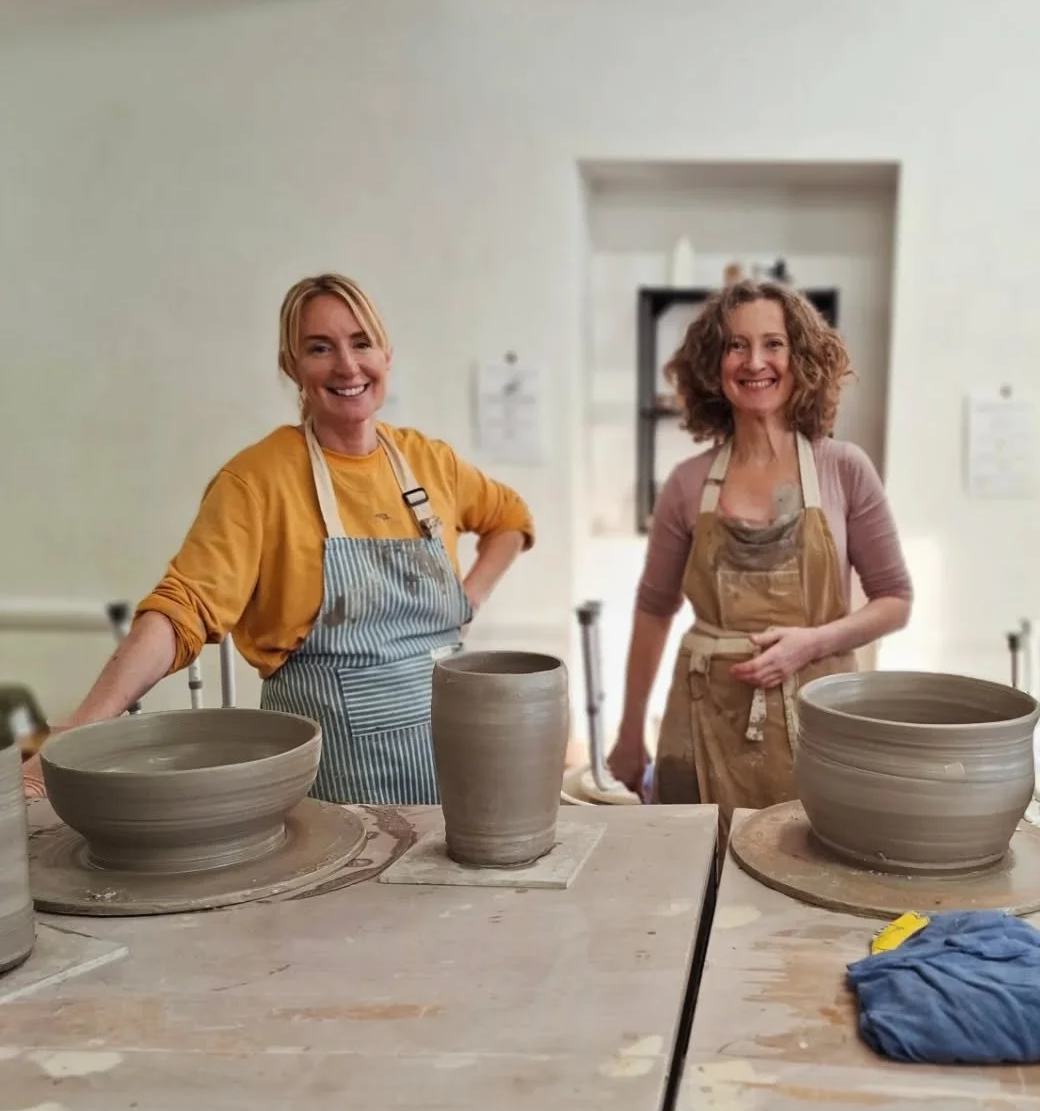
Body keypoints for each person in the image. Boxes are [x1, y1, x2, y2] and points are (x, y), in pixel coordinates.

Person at [22, 274, 534, 806]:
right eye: (320, 348)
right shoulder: (258, 479)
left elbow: (510, 518)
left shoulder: (431, 462)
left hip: (450, 753)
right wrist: (79, 728)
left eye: (361, 343)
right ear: (291, 366)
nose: (347, 366)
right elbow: (183, 609)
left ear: (386, 355)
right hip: (338, 777)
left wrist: (471, 597)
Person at [607, 280, 913, 824]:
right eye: (735, 345)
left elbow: (895, 600)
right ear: (713, 364)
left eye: (773, 344)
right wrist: (630, 732)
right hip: (704, 720)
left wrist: (811, 642)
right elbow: (654, 609)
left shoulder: (842, 469)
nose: (755, 362)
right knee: (699, 885)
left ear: (801, 358)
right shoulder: (686, 483)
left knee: (810, 878)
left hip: (820, 719)